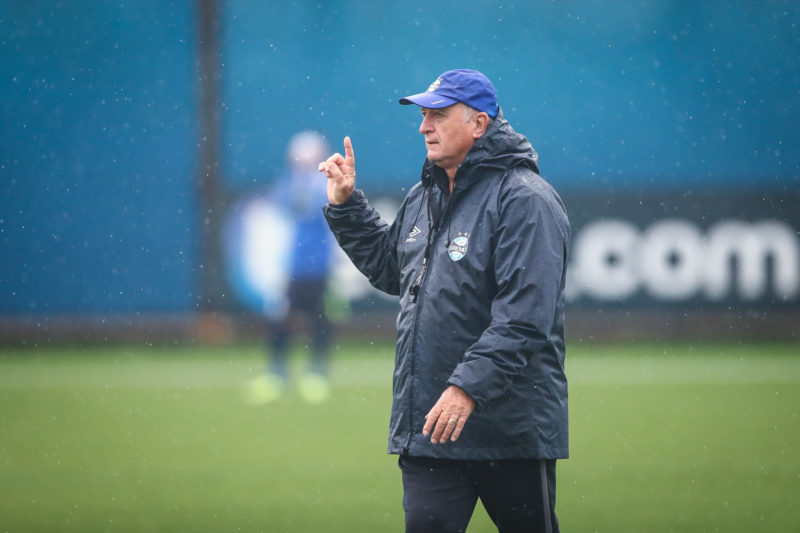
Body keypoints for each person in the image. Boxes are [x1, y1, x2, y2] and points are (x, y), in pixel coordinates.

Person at [320, 69, 571, 532]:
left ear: (479, 123)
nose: (423, 126)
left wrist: (466, 387)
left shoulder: (526, 200)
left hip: (509, 432)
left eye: (438, 113)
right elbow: (392, 269)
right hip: (432, 430)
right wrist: (347, 205)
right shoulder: (425, 195)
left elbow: (525, 317)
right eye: (422, 114)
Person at [246, 130, 337, 405]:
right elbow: (283, 208)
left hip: (319, 267)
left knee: (320, 321)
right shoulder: (288, 184)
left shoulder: (326, 185)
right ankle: (277, 372)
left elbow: (317, 208)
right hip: (293, 267)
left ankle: (317, 373)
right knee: (279, 320)